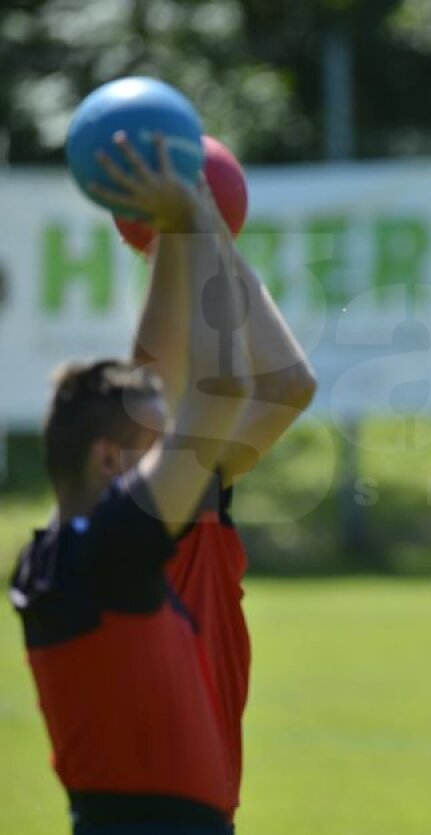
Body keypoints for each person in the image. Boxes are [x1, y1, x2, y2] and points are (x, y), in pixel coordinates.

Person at [9, 134, 253, 833]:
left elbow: (146, 376)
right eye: (156, 445)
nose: (170, 452)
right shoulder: (114, 549)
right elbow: (228, 387)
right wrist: (198, 224)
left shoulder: (50, 556)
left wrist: (167, 242)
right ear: (110, 462)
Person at [127, 135, 316, 816]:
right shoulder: (137, 514)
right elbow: (226, 383)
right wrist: (194, 226)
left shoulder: (192, 495)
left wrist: (203, 230)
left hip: (206, 808)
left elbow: (289, 384)